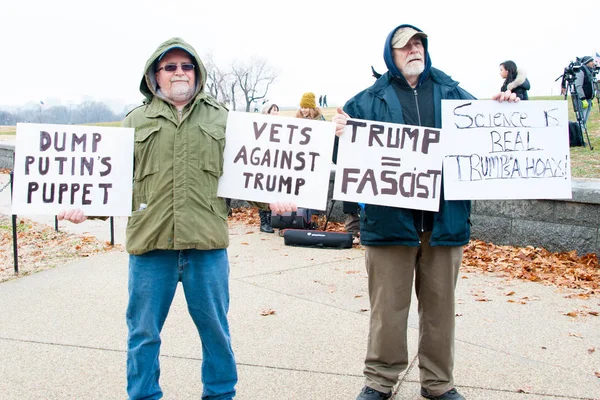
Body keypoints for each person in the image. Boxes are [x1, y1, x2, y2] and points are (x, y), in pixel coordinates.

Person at [57, 37, 295, 400]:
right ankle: (143, 395)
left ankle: (219, 394)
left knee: (216, 331)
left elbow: (248, 173)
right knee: (143, 334)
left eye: (187, 66)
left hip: (206, 247)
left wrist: (274, 198)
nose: (179, 72)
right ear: (155, 76)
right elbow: (113, 182)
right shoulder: (135, 121)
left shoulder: (223, 118)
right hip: (151, 249)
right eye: (170, 67)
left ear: (197, 73)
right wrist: (84, 207)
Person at [331, 24, 519, 400]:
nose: (413, 49)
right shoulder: (365, 102)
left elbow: (485, 135)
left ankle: (438, 383)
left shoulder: (454, 94)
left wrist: (502, 110)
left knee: (440, 311)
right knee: (388, 311)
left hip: (443, 223)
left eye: (418, 43)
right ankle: (380, 381)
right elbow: (343, 165)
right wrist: (337, 136)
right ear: (391, 55)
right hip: (389, 226)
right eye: (405, 46)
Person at [256, 101, 281, 233]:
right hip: (264, 163)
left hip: (275, 163)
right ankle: (264, 221)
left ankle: (271, 219)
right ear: (267, 112)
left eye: (277, 110)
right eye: (273, 110)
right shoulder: (262, 125)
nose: (276, 112)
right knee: (263, 193)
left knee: (272, 192)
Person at [575, 56, 596, 128]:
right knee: (581, 118)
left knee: (585, 119)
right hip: (582, 100)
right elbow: (578, 86)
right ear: (586, 63)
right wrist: (583, 98)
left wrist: (591, 97)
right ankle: (579, 133)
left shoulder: (590, 71)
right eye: (591, 61)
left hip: (589, 99)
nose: (593, 63)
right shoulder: (581, 71)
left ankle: (582, 132)